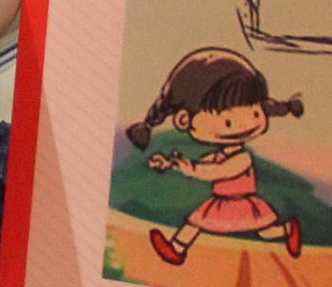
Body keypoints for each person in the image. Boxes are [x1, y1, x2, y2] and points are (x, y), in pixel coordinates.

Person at [129, 48, 307, 264]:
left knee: (261, 231)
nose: (246, 125)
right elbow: (203, 164)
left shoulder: (242, 158)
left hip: (240, 203)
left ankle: (288, 230)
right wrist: (170, 164)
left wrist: (191, 169)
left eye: (255, 113)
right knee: (199, 224)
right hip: (223, 202)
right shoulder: (219, 155)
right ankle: (176, 249)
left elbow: (217, 171)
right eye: (228, 122)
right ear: (184, 120)